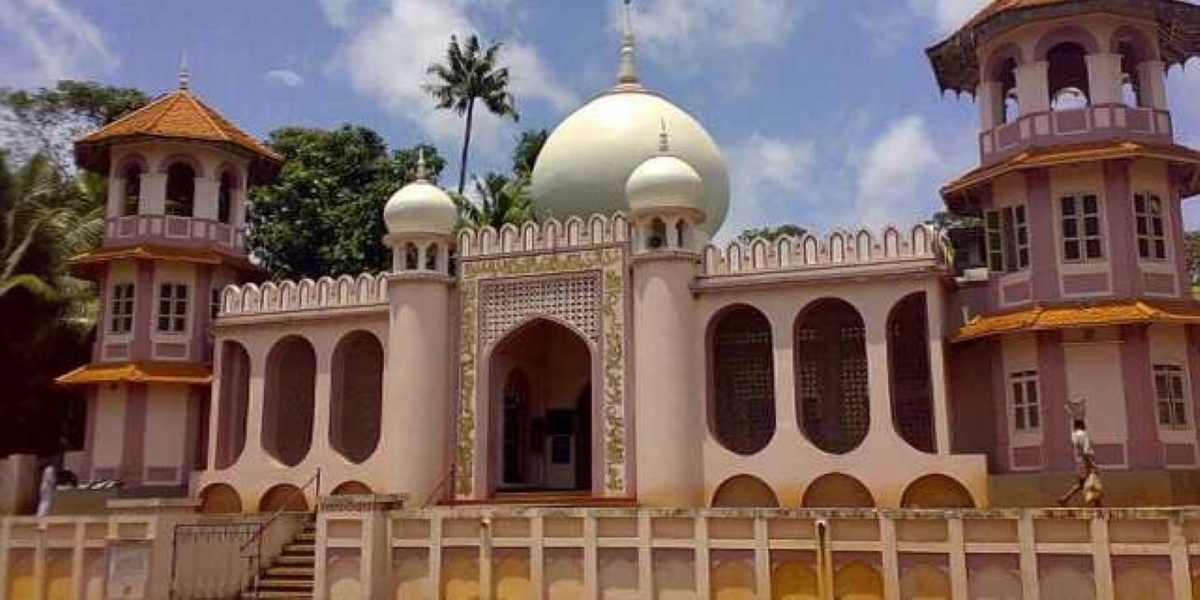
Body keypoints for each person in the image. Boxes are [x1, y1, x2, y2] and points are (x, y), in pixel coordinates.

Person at [1058, 412, 1103, 507]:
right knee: (1093, 481)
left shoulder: (1075, 436)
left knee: (1082, 483)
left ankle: (1065, 498)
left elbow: (1080, 450)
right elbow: (1086, 450)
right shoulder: (1084, 435)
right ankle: (1098, 506)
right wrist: (1092, 464)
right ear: (1082, 425)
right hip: (1086, 460)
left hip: (1080, 461)